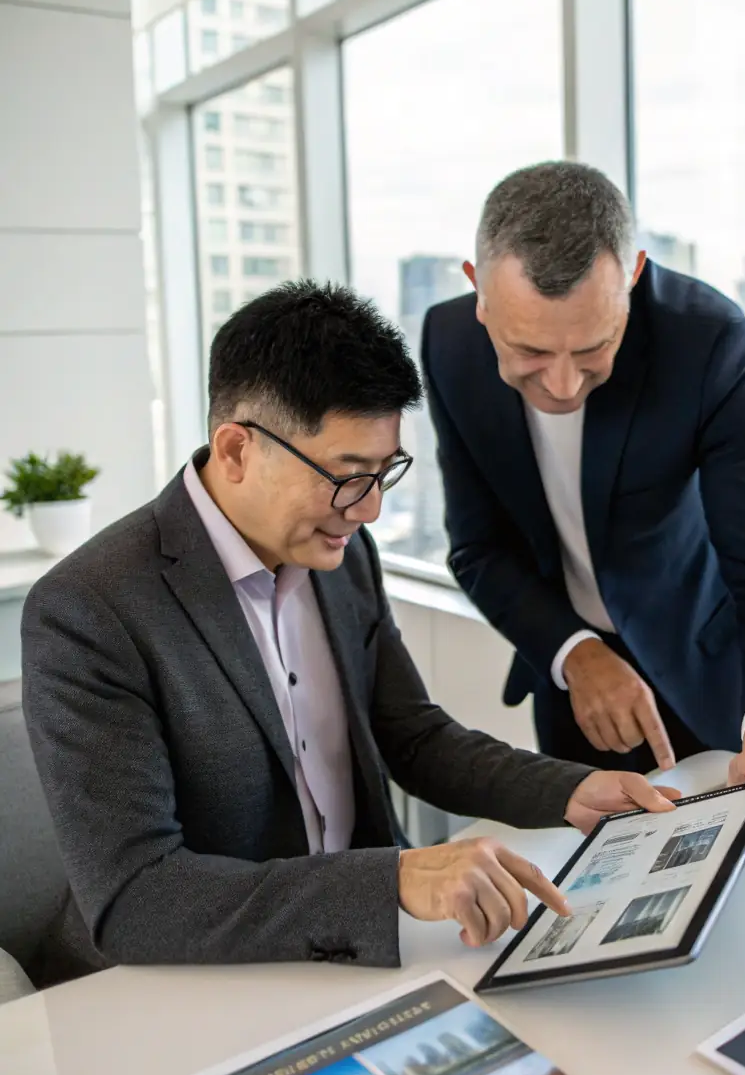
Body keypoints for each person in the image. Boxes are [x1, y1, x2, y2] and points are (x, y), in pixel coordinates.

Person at [20, 282, 679, 982]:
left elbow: (413, 735)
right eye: (346, 476)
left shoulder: (339, 554)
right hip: (179, 985)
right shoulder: (88, 610)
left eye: (383, 471)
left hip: (353, 961)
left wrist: (570, 792)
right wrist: (394, 879)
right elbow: (137, 897)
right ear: (237, 448)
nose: (367, 510)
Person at [422, 162, 745, 864]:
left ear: (633, 275)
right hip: (570, 686)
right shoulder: (448, 344)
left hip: (713, 694)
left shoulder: (713, 347)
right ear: (477, 290)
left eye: (592, 347)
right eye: (529, 352)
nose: (562, 383)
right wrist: (575, 653)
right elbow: (478, 548)